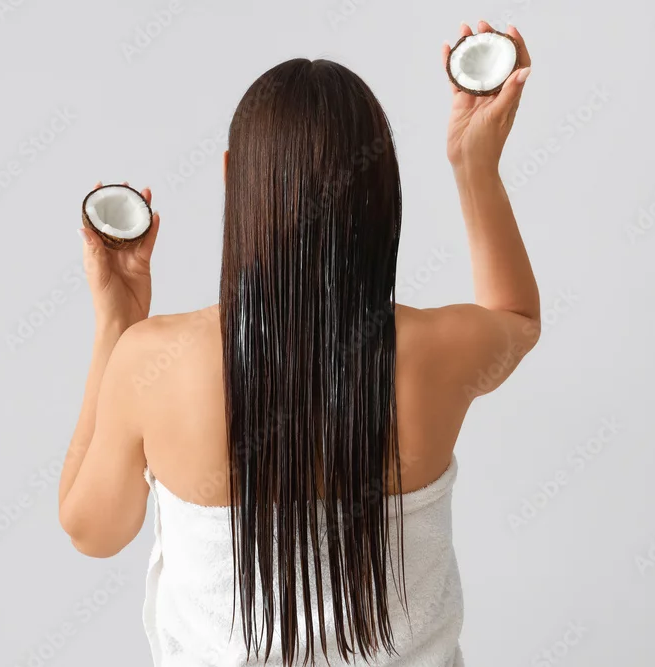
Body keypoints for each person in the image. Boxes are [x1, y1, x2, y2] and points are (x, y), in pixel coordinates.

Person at [59, 21, 539, 667]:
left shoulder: (153, 361)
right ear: (381, 188)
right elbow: (516, 318)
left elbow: (92, 530)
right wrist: (475, 164)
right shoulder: (436, 350)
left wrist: (116, 325)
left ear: (232, 177)